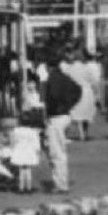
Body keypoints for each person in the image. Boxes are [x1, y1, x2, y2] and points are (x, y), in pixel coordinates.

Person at [43, 53, 82, 194]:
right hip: (65, 115)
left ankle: (61, 184)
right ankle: (60, 182)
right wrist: (69, 104)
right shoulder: (65, 77)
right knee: (59, 150)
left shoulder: (53, 79)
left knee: (56, 152)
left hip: (56, 116)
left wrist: (56, 106)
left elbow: (53, 96)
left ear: (48, 66)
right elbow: (78, 90)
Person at [10, 119, 42, 193]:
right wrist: (38, 153)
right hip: (29, 152)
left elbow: (13, 142)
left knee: (21, 170)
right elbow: (36, 143)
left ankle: (21, 188)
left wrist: (12, 149)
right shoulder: (33, 131)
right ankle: (29, 188)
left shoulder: (16, 131)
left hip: (20, 151)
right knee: (28, 170)